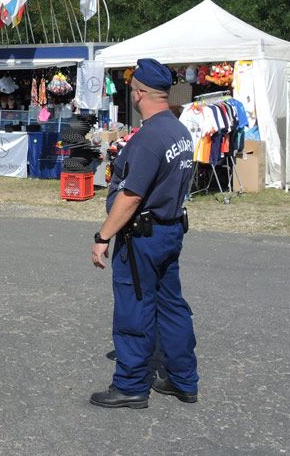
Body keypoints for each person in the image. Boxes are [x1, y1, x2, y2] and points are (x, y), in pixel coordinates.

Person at [89, 58, 197, 409]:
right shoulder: (178, 131)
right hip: (170, 229)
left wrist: (103, 237)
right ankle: (183, 379)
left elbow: (132, 196)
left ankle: (131, 384)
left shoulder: (150, 137)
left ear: (138, 93)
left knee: (134, 308)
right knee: (171, 306)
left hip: (143, 236)